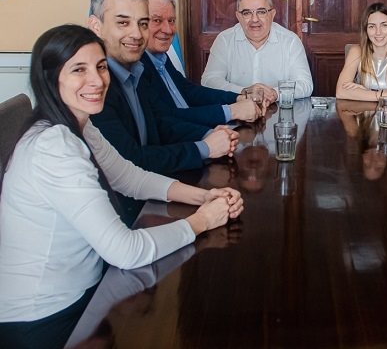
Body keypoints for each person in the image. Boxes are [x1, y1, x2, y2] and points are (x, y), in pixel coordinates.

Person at [0, 25, 244, 349]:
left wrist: (203, 196)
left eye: (101, 66)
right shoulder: (53, 148)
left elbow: (131, 177)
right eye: (79, 69)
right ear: (49, 78)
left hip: (82, 294)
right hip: (44, 319)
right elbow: (125, 251)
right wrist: (202, 221)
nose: (97, 80)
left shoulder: (78, 125)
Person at [87, 0, 239, 177]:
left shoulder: (135, 68)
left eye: (143, 24)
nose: (136, 34)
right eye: (123, 23)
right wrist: (204, 147)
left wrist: (209, 134)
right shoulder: (92, 85)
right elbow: (129, 161)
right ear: (95, 26)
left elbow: (159, 123)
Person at [139, 0, 265, 127]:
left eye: (171, 20)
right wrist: (232, 111)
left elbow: (190, 92)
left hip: (195, 131)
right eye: (157, 20)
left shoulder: (160, 57)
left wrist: (238, 97)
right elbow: (166, 117)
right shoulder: (137, 66)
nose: (168, 30)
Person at [201, 0, 314, 100]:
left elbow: (305, 84)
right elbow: (209, 80)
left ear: (272, 14)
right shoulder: (225, 40)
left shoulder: (290, 41)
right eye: (247, 13)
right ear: (238, 16)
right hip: (237, 107)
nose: (255, 19)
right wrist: (244, 92)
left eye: (261, 12)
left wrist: (274, 94)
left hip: (278, 109)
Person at [335, 2, 387, 101]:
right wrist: (383, 94)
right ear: (366, 30)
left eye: (384, 25)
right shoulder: (356, 51)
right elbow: (340, 92)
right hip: (362, 110)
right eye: (372, 26)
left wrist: (364, 93)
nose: (378, 32)